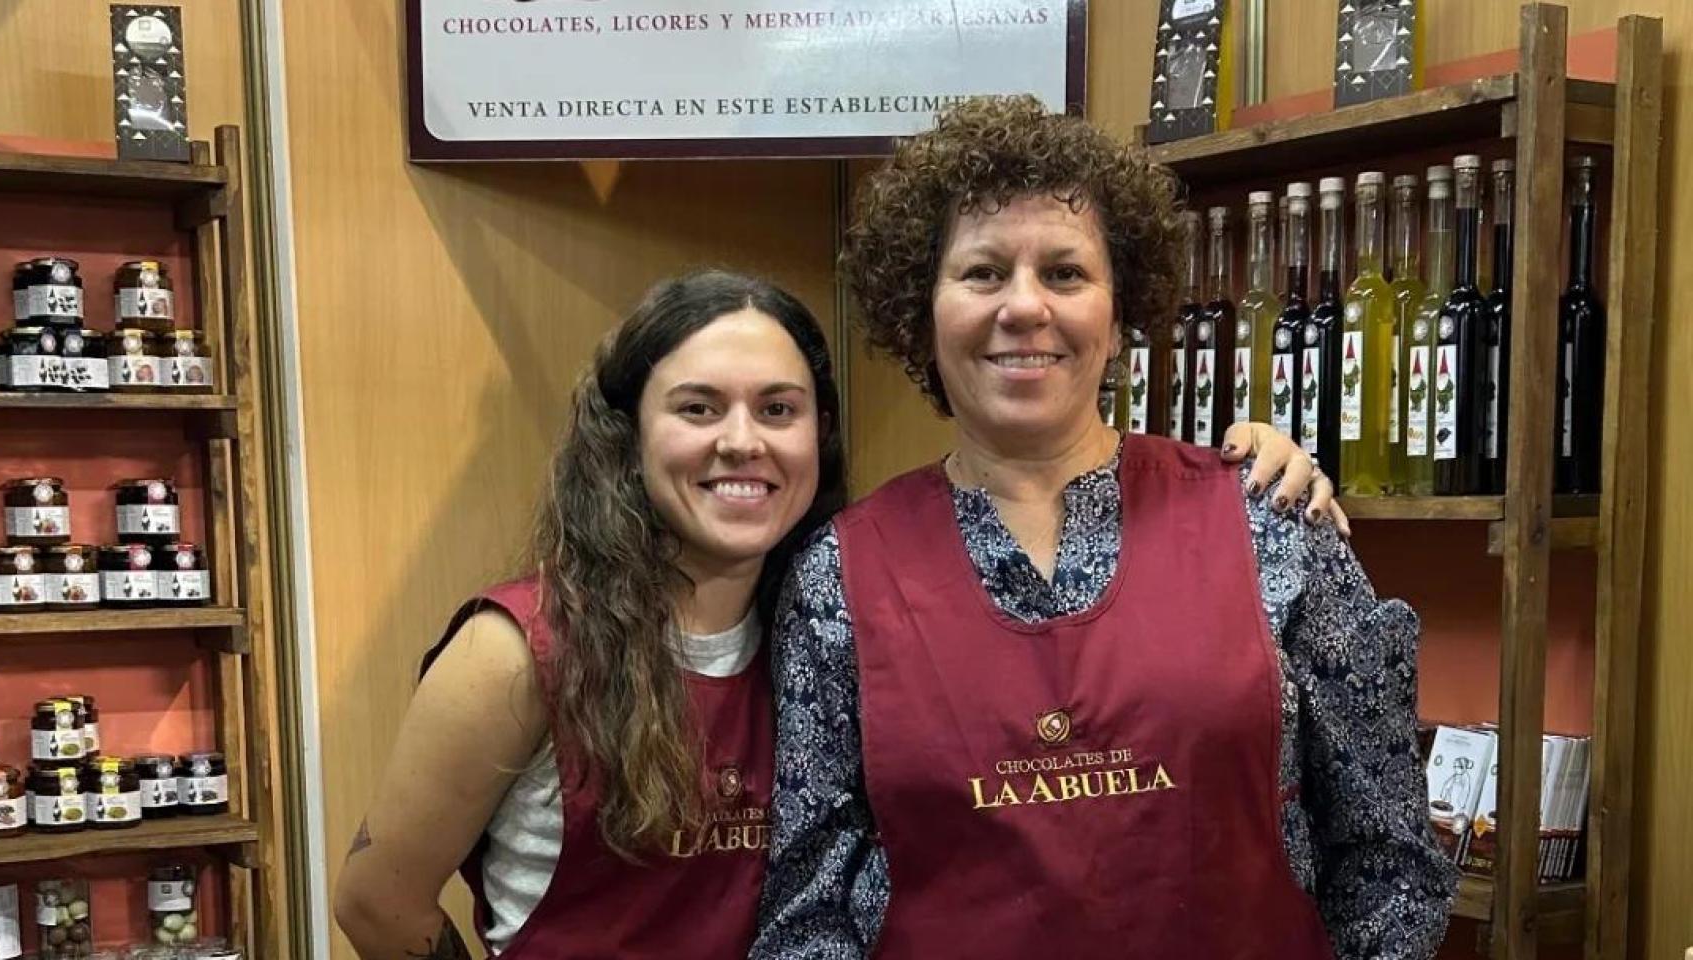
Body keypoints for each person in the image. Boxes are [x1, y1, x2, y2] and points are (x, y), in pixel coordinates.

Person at [332, 265, 1329, 960]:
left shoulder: (835, 607)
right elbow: (375, 905)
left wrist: (1251, 457)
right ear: (624, 437)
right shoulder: (515, 653)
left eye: (777, 408)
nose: (740, 443)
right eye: (694, 408)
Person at [751, 97, 1458, 960]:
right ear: (919, 311)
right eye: (982, 273)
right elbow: (810, 916)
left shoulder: (1270, 523)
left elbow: (1389, 863)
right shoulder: (839, 578)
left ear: (1121, 314)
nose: (1024, 307)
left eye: (1065, 273)